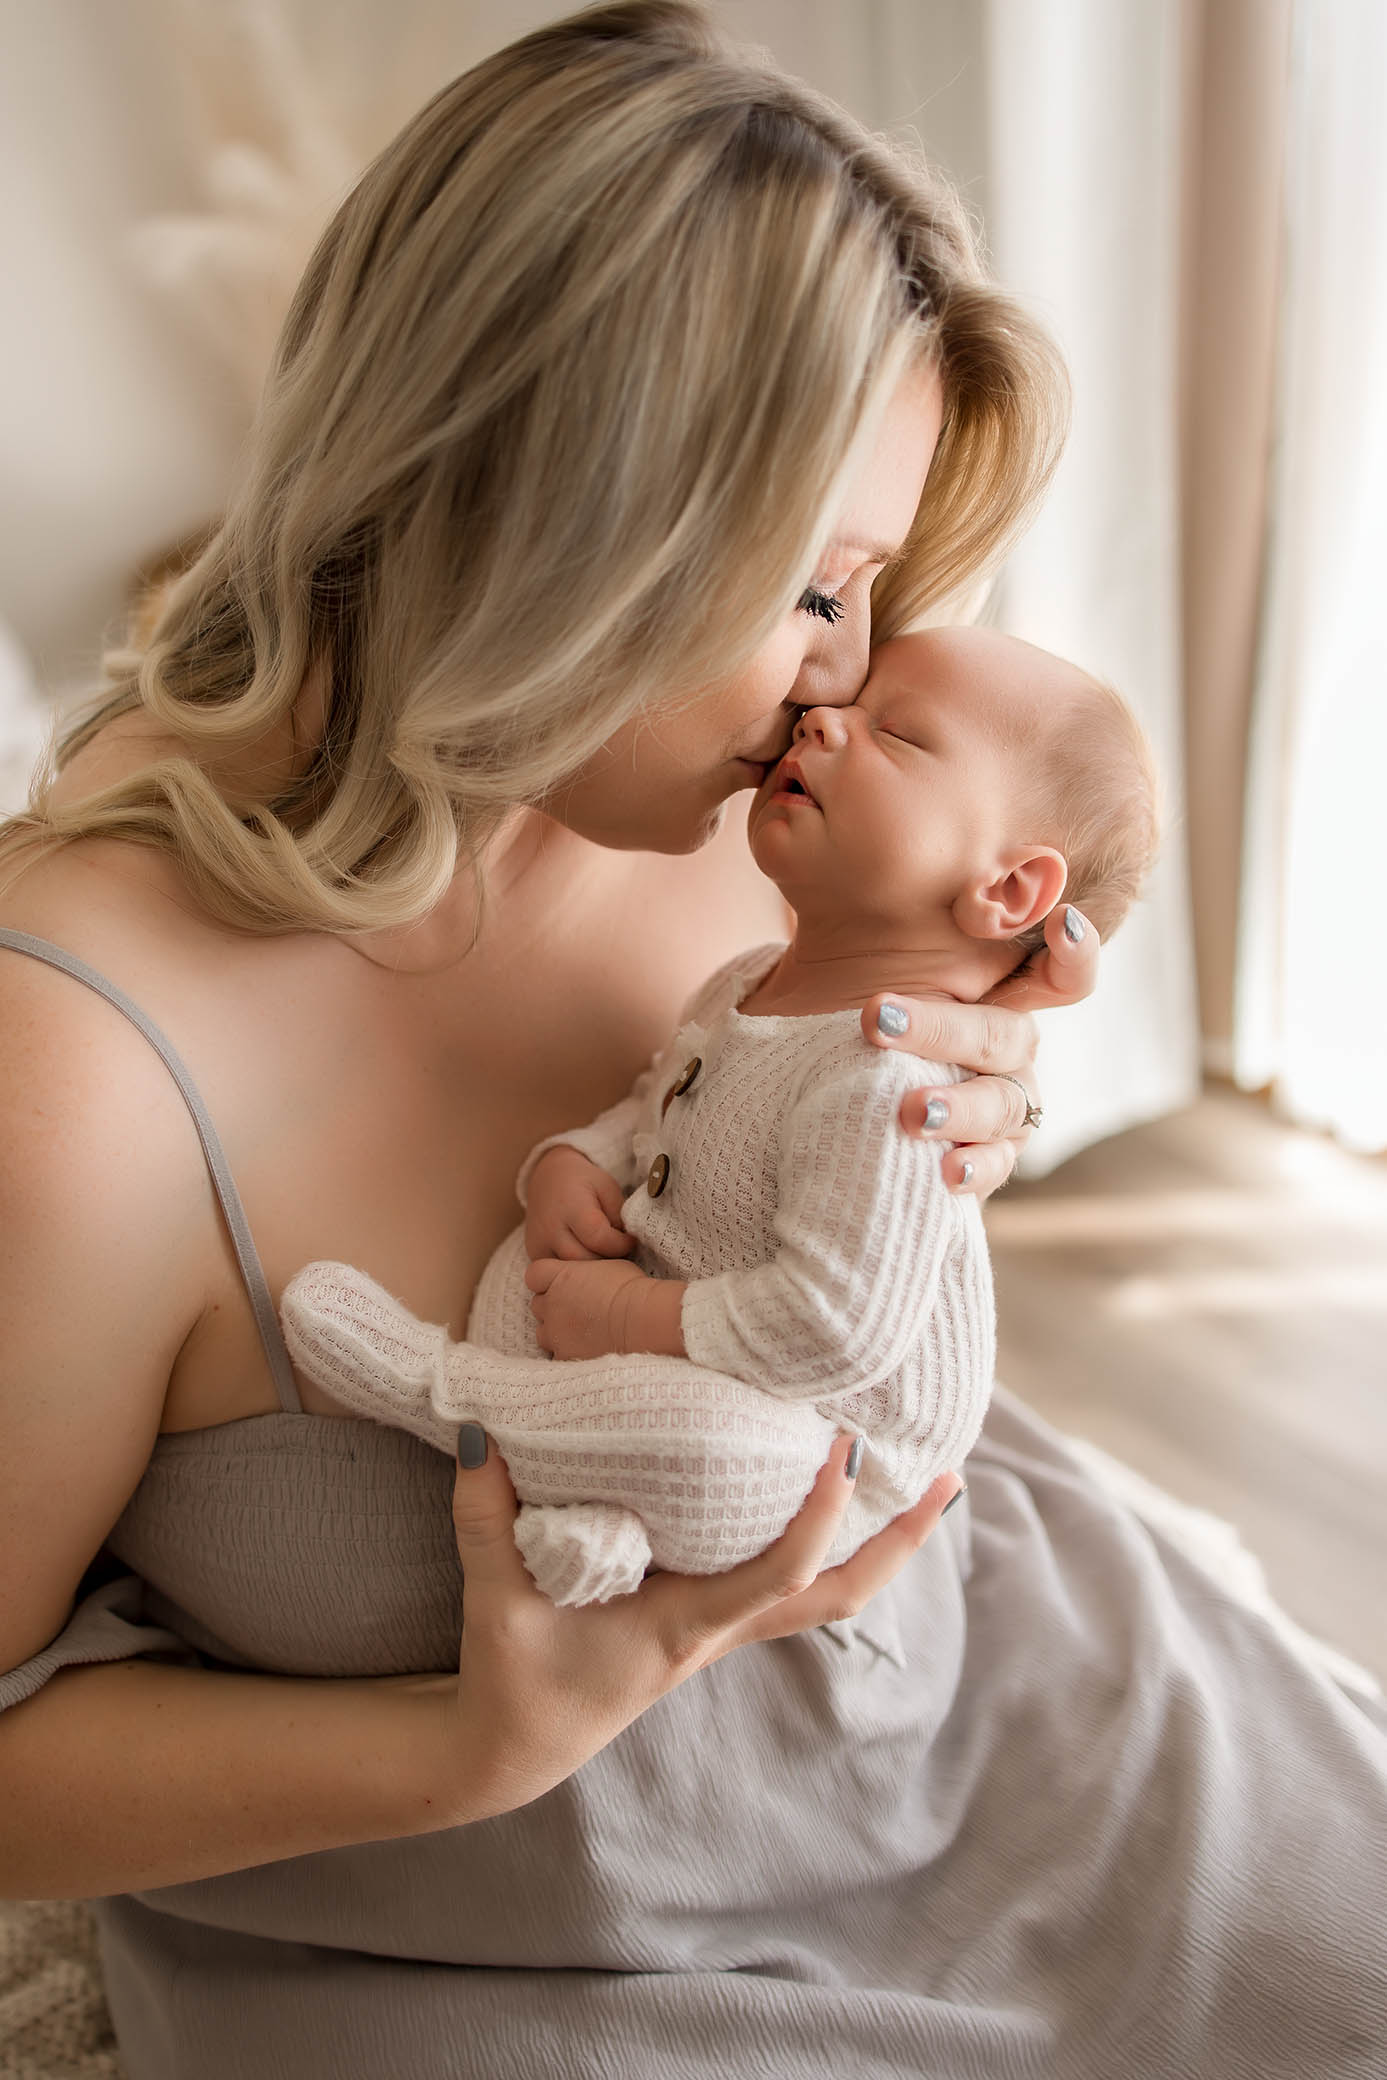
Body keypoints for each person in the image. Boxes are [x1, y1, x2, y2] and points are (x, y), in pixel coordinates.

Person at [0, 7, 1381, 2078]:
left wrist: (960, 1089)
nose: (837, 696)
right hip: (500, 1941)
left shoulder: (760, 825)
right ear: (567, 506)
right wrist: (459, 1748)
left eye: (872, 604)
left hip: (983, 1686)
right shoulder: (79, 1064)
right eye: (815, 591)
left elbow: (824, 1212)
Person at [277, 627, 1160, 1610]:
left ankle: (437, 1390)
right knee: (525, 1271)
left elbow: (833, 1330)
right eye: (845, 710)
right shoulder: (751, 981)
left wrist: (630, 1316)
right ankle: (594, 1514)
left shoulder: (902, 1085)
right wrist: (577, 1161)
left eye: (897, 735)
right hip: (680, 1342)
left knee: (713, 1451)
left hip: (821, 1446)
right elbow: (668, 1107)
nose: (821, 717)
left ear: (1006, 888)